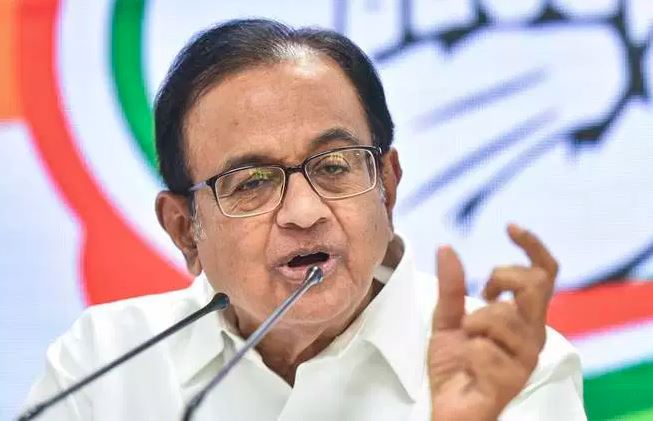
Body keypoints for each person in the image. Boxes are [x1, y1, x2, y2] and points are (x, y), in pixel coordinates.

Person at [24, 19, 585, 420]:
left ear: (387, 187)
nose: (305, 211)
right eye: (251, 182)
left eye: (335, 166)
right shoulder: (105, 362)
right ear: (184, 229)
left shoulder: (508, 368)